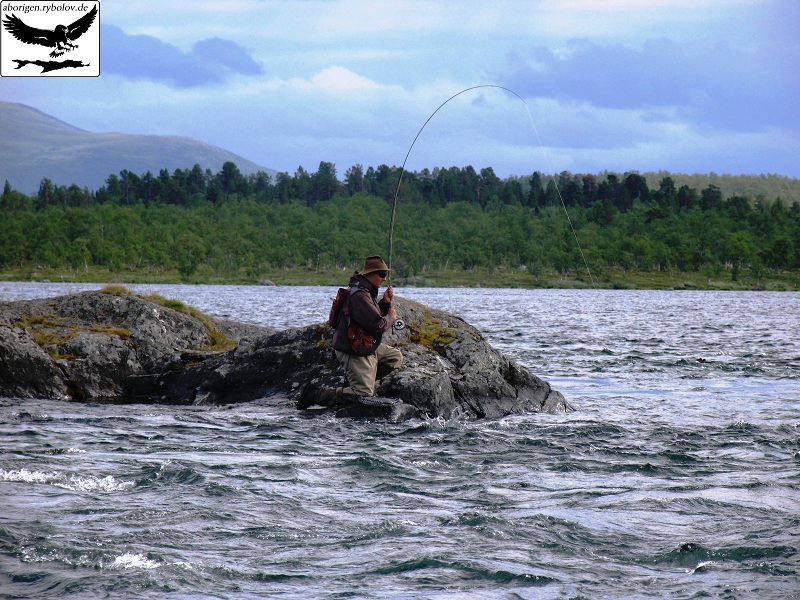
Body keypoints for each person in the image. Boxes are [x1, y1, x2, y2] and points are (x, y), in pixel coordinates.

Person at [331, 255, 404, 397]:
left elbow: (368, 317)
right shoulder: (360, 295)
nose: (384, 278)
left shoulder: (365, 291)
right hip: (352, 349)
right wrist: (391, 317)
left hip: (366, 345)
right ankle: (321, 395)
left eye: (386, 275)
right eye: (382, 274)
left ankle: (363, 378)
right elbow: (378, 325)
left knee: (395, 358)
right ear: (369, 275)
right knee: (364, 394)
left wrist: (384, 303)